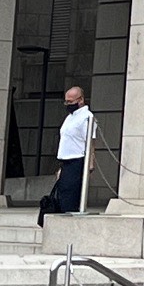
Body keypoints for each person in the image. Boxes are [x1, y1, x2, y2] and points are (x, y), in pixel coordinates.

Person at [39, 86, 96, 224]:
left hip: (77, 160)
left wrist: (90, 162)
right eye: (66, 102)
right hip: (66, 162)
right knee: (62, 194)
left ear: (80, 100)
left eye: (71, 102)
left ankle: (70, 224)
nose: (68, 105)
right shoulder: (70, 118)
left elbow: (91, 142)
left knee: (70, 196)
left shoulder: (86, 117)